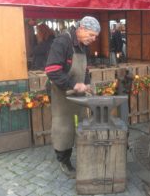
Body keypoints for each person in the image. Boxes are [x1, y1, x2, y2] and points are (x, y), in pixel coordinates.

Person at [45, 16, 101, 178]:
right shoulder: (62, 42)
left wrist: (87, 84)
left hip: (79, 94)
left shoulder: (84, 46)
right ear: (81, 28)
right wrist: (73, 85)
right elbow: (52, 70)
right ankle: (64, 161)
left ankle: (81, 153)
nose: (93, 39)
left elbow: (85, 70)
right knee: (64, 127)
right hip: (62, 93)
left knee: (81, 123)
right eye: (91, 34)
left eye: (95, 36)